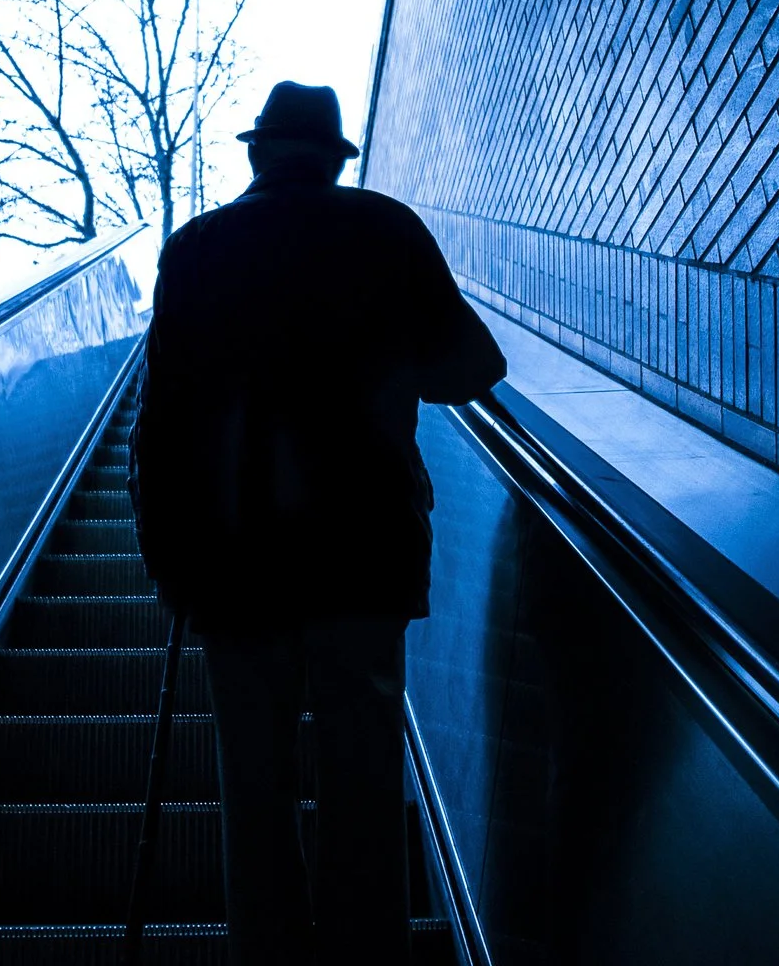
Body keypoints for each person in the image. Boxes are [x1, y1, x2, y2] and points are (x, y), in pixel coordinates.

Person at [130, 81, 507, 965]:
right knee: (364, 787)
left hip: (232, 565)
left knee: (253, 794)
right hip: (362, 558)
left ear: (258, 156)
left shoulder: (197, 250)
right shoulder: (384, 229)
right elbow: (472, 365)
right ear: (334, 161)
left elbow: (161, 426)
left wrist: (166, 561)